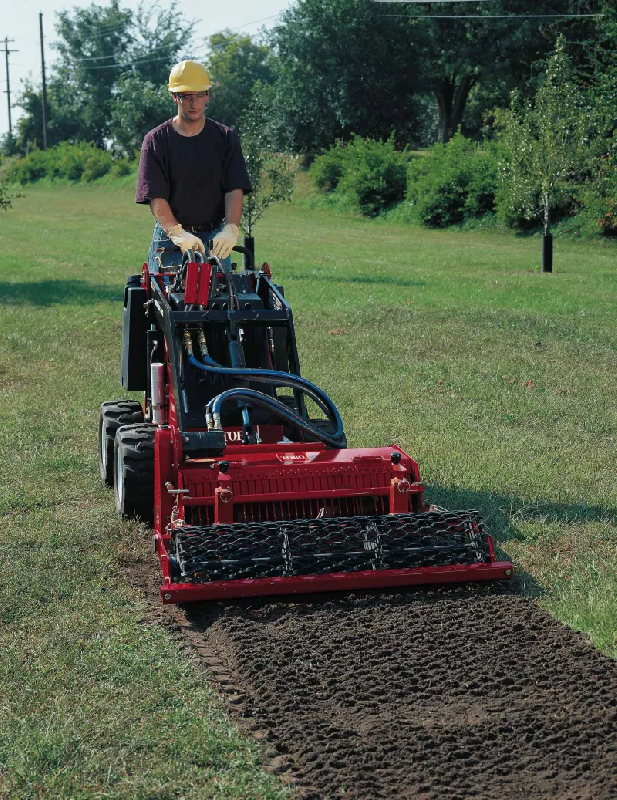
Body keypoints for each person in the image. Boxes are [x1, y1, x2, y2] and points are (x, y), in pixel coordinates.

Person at [135, 60, 252, 271]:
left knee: (222, 302)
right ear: (174, 97)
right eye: (186, 96)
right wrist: (176, 233)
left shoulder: (225, 138)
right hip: (171, 241)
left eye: (199, 95)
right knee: (166, 301)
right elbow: (155, 196)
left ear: (207, 95)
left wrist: (231, 228)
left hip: (215, 240)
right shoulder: (156, 141)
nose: (193, 103)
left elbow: (234, 188)